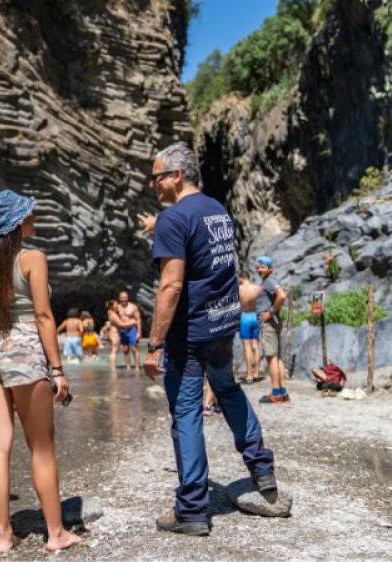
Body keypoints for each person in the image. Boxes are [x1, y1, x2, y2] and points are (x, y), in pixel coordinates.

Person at [142, 143, 278, 536]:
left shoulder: (173, 218)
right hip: (223, 324)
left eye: (157, 177)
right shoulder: (217, 210)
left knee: (186, 413)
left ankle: (192, 510)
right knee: (229, 390)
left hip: (190, 332)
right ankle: (261, 469)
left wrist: (153, 344)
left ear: (177, 175)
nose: (154, 185)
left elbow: (170, 286)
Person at [0, 189, 81, 553]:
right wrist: (58, 369)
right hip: (24, 352)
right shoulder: (33, 258)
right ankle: (55, 534)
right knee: (41, 448)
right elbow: (44, 316)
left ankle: (4, 536)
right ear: (18, 222)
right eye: (28, 213)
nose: (33, 216)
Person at [256, 256, 290, 403]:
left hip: (269, 323)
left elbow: (282, 296)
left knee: (271, 357)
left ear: (270, 269)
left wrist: (270, 312)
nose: (259, 269)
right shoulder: (271, 281)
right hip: (274, 322)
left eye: (263, 266)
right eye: (259, 266)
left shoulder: (269, 282)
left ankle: (276, 393)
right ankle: (282, 392)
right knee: (277, 357)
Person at [238, 272, 263, 383]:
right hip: (255, 316)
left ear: (242, 277)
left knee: (247, 347)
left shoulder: (238, 289)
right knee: (255, 346)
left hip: (245, 317)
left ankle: (249, 375)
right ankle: (256, 373)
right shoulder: (257, 288)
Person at [117, 290, 142, 371]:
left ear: (128, 298)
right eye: (122, 297)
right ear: (120, 298)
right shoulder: (118, 307)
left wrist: (139, 332)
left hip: (132, 329)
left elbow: (138, 320)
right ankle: (128, 366)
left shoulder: (133, 307)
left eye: (125, 297)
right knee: (125, 349)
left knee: (134, 348)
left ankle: (137, 366)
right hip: (123, 331)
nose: (124, 299)